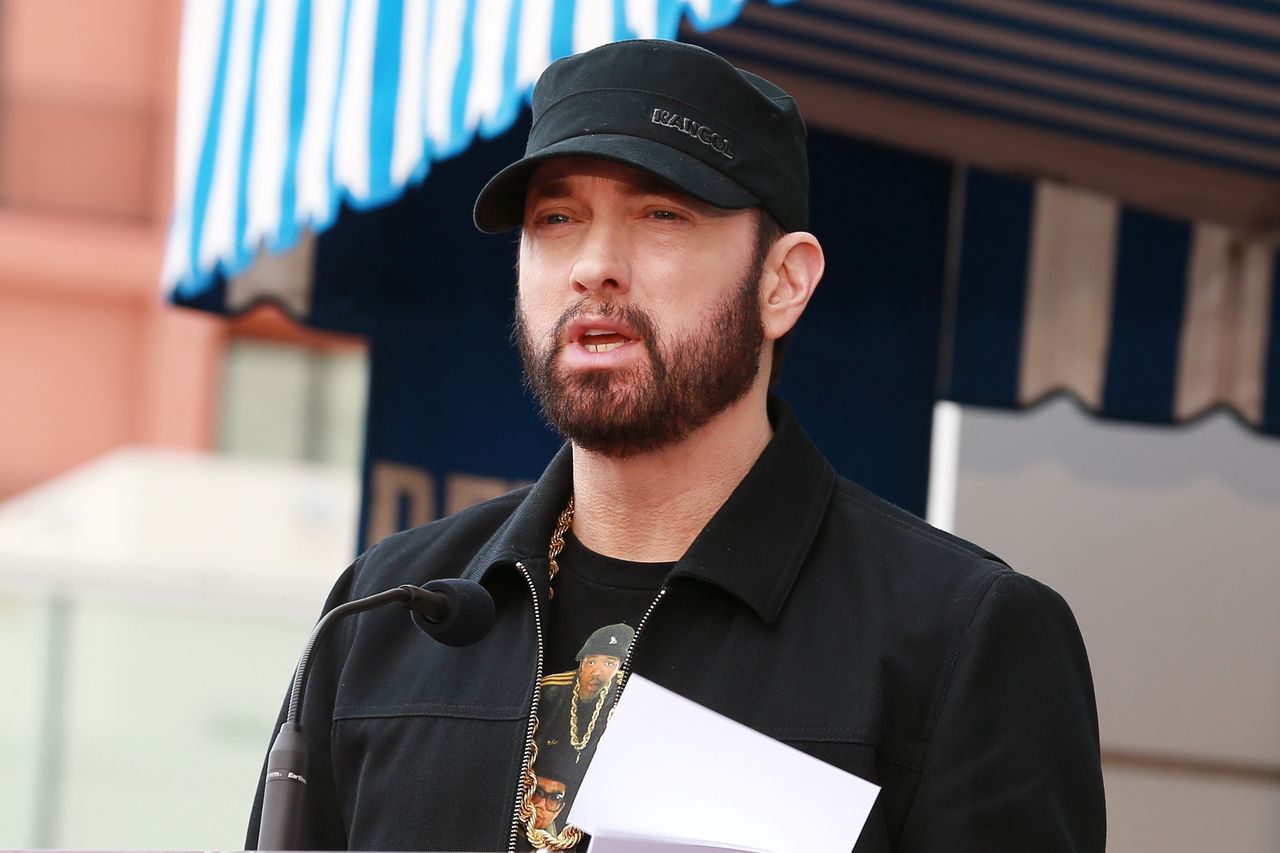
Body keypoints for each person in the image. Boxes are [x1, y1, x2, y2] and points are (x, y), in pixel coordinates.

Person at [247, 38, 1105, 852]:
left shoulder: (960, 637)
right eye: (555, 217)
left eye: (661, 213)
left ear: (783, 282)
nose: (594, 265)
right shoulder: (386, 614)